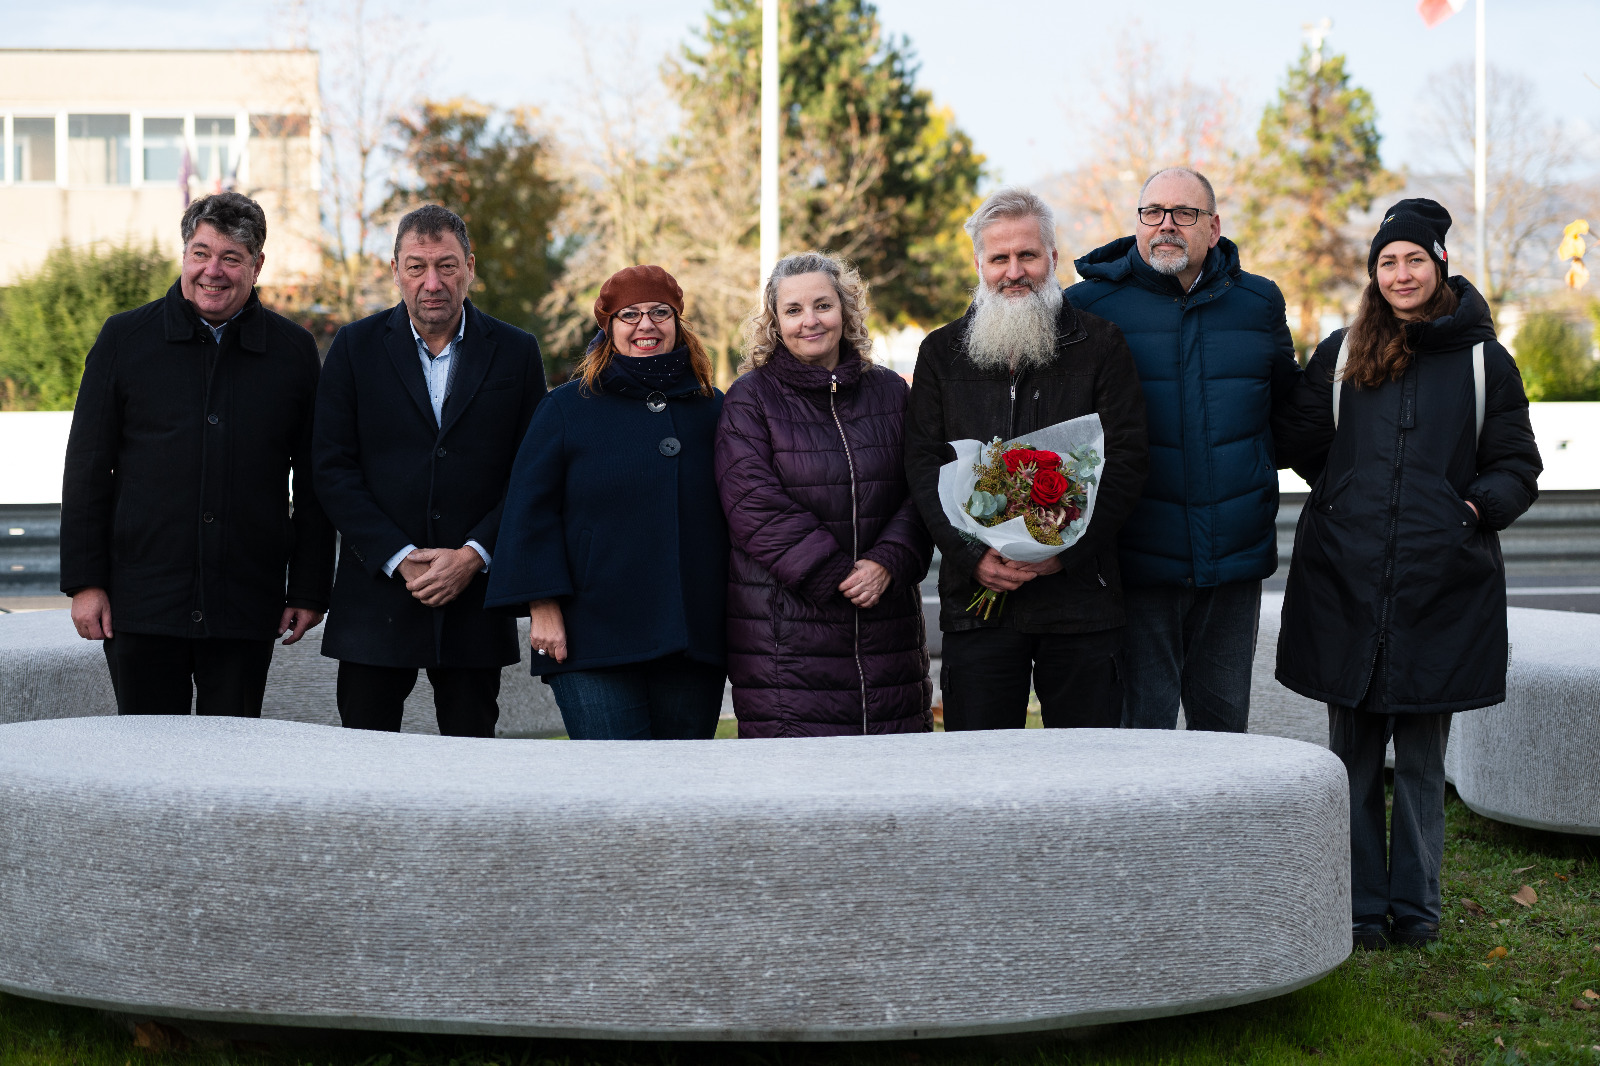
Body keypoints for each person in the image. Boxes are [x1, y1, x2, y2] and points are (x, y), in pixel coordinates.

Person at [1273, 198, 1541, 950]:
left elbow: (1518, 465)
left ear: (1439, 265)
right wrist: (1345, 496)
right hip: (1347, 582)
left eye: (1413, 259)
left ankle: (1416, 913)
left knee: (1422, 764)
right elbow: (1299, 438)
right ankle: (1359, 909)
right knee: (1352, 760)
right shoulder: (1342, 351)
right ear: (1374, 272)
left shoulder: (1484, 361)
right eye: (1387, 261)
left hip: (1439, 586)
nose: (1400, 273)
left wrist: (1471, 511)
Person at [60, 192, 335, 716]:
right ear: (184, 253)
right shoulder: (125, 338)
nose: (213, 271)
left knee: (229, 767)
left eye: (232, 258)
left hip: (246, 603)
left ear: (257, 266)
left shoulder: (293, 351)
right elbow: (88, 468)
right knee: (145, 764)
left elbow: (316, 479)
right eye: (201, 253)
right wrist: (86, 582)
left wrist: (308, 588)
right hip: (140, 602)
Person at [1065, 166, 1300, 734]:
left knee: (1223, 731)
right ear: (1138, 223)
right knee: (1141, 734)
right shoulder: (1089, 306)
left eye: (1184, 214)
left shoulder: (1259, 302)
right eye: (1153, 213)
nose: (1166, 225)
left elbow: (1292, 415)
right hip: (1135, 560)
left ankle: (1220, 831)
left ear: (1214, 227)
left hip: (1233, 559)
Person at [905, 187, 1149, 730]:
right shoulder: (941, 352)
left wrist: (1066, 553)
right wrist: (972, 557)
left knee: (1085, 774)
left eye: (1028, 255)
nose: (1014, 271)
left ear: (1054, 259)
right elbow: (924, 465)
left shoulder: (1102, 345)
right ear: (979, 264)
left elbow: (1128, 460)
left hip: (1082, 600)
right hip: (979, 603)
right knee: (982, 775)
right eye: (999, 258)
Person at [313, 204, 546, 737]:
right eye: (416, 267)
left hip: (473, 601)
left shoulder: (516, 352)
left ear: (470, 266)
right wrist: (398, 557)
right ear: (395, 270)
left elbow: (530, 472)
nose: (432, 282)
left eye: (446, 265)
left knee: (470, 773)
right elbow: (331, 467)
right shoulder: (353, 348)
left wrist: (474, 555)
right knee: (366, 770)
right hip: (377, 597)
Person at [484, 266, 728, 740]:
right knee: (615, 792)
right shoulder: (567, 408)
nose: (645, 325)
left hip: (691, 635)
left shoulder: (714, 408)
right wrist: (544, 606)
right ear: (609, 327)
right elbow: (529, 512)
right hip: (588, 635)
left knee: (684, 791)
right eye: (629, 314)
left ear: (678, 322)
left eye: (660, 312)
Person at [715, 252, 934, 737]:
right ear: (774, 322)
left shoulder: (891, 392)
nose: (810, 321)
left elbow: (924, 486)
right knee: (797, 797)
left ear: (846, 310)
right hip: (786, 642)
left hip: (888, 631)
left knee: (894, 790)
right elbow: (751, 502)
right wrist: (836, 575)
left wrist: (889, 562)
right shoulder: (750, 399)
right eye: (793, 310)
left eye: (822, 305)